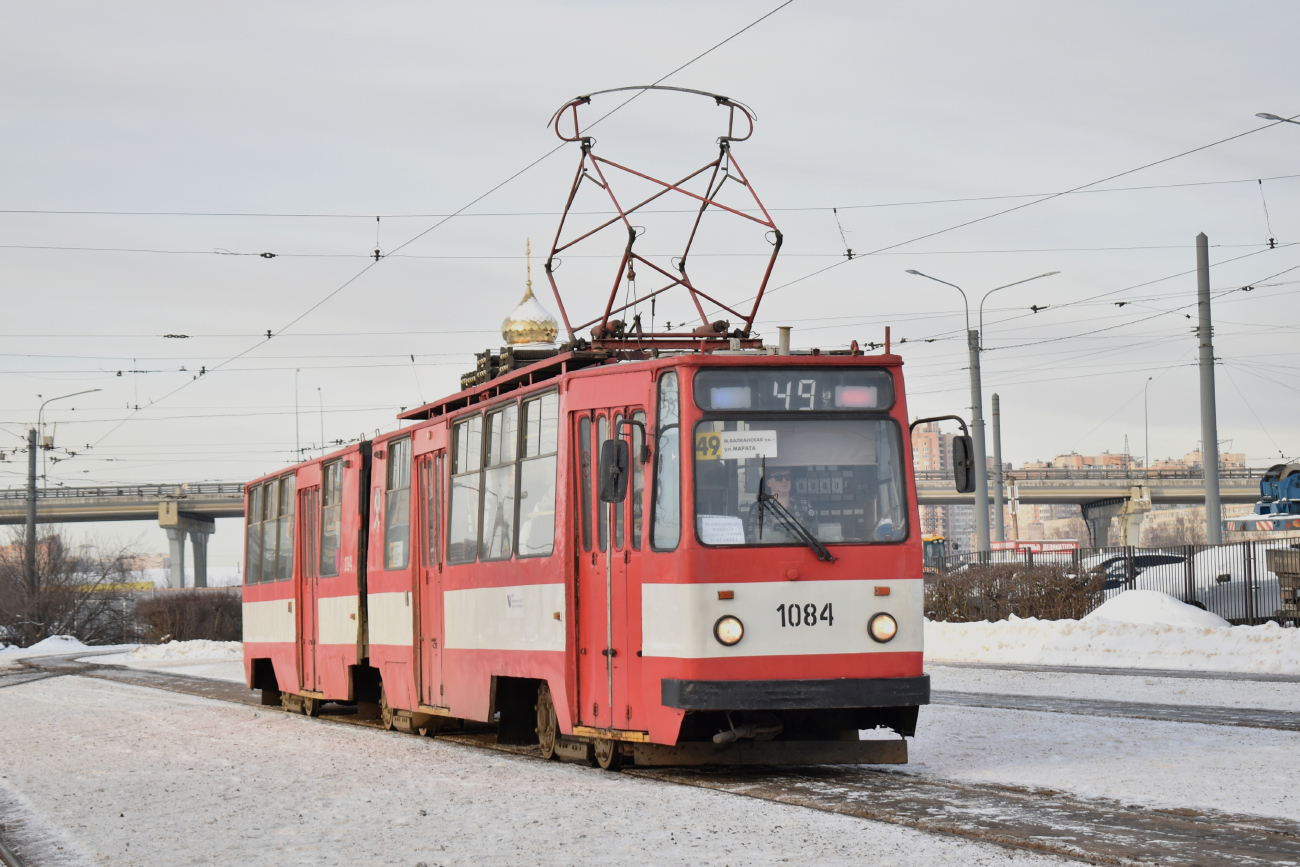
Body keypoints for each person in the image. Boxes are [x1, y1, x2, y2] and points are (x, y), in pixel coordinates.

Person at [746, 467, 819, 543]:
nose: (784, 480)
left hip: (801, 549)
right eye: (778, 477)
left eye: (787, 477)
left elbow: (815, 534)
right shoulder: (759, 508)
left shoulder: (804, 504)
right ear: (768, 483)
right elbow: (751, 541)